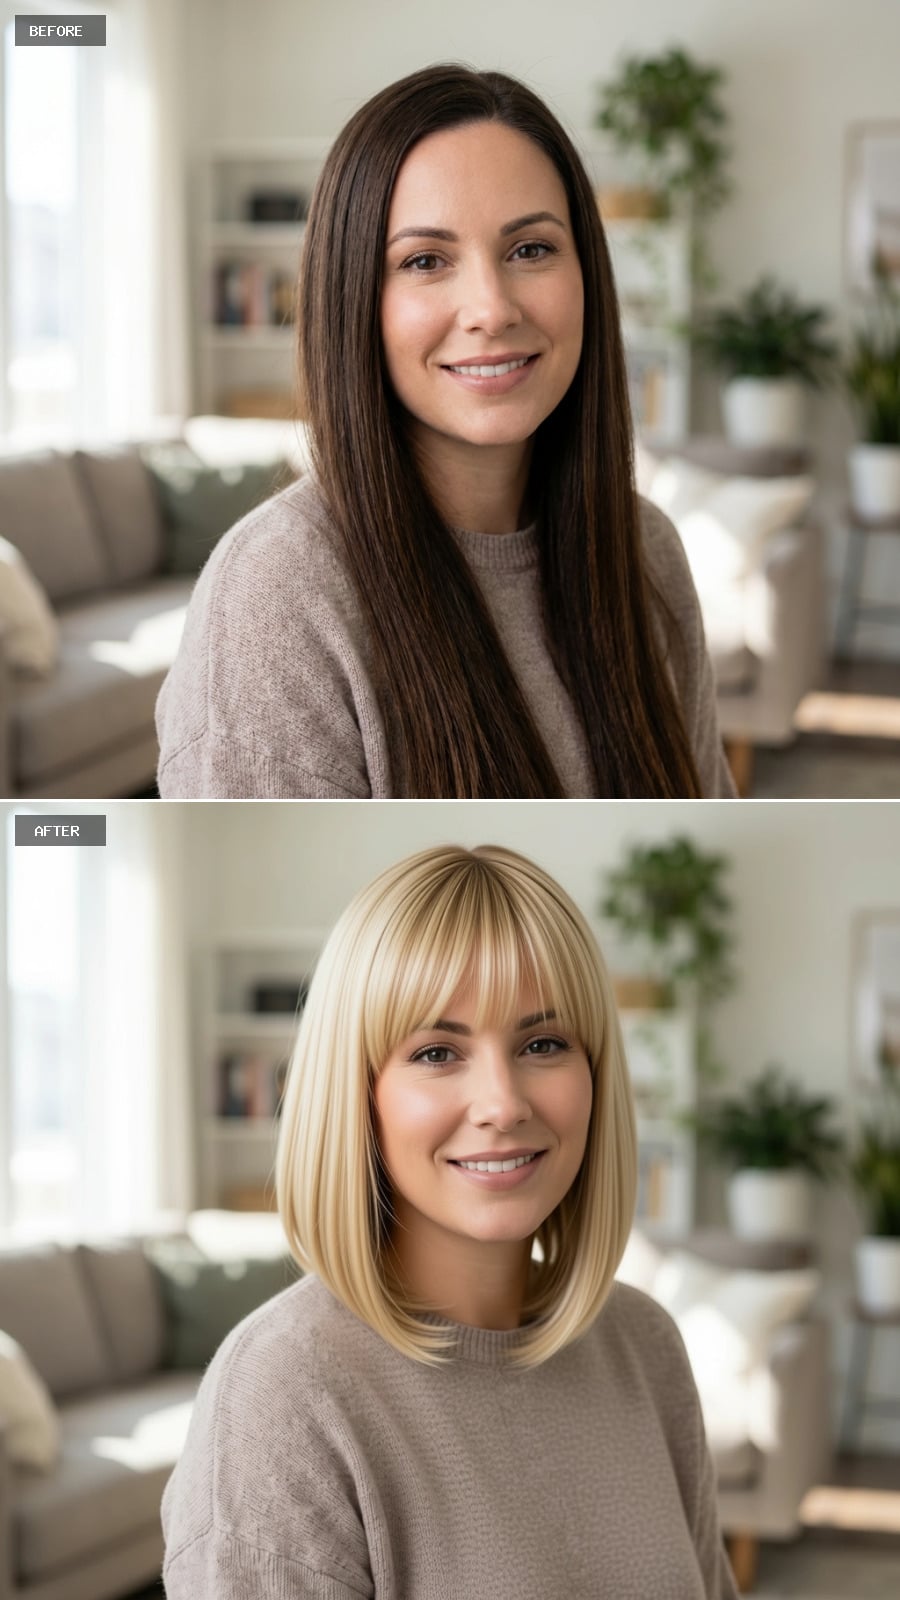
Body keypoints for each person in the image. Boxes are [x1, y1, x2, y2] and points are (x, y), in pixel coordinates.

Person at [161, 844, 739, 1598]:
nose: (503, 1103)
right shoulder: (280, 1398)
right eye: (437, 1052)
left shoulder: (645, 1345)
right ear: (357, 1091)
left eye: (544, 1043)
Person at [156, 65, 735, 799]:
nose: (491, 308)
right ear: (354, 299)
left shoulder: (644, 549)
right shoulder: (278, 594)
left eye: (531, 249)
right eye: (425, 261)